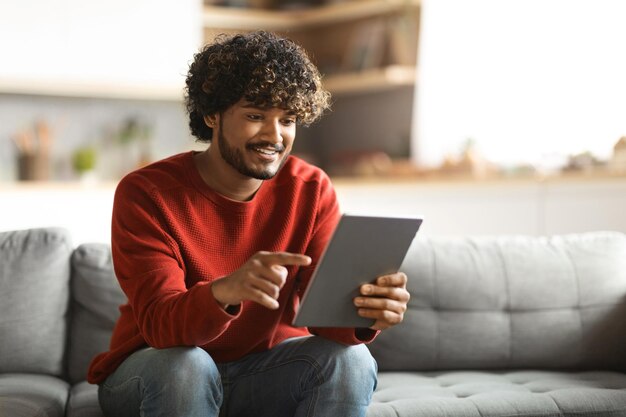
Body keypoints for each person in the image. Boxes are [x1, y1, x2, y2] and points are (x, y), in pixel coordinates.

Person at [88, 30, 410, 417]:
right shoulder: (147, 192)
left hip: (262, 371)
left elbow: (327, 323)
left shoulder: (310, 189)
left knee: (352, 360)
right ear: (212, 115)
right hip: (155, 372)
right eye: (255, 116)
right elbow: (160, 326)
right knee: (188, 366)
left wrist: (366, 310)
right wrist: (225, 291)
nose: (274, 136)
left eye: (287, 120)